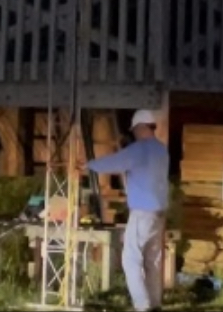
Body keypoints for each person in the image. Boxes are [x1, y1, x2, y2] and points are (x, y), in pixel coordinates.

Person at [86, 110, 168, 312]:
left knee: (130, 260)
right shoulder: (161, 150)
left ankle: (142, 305)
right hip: (159, 213)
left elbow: (115, 162)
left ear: (141, 128)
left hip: (142, 212)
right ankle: (155, 304)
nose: (134, 134)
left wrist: (90, 165)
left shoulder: (139, 149)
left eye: (135, 131)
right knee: (153, 261)